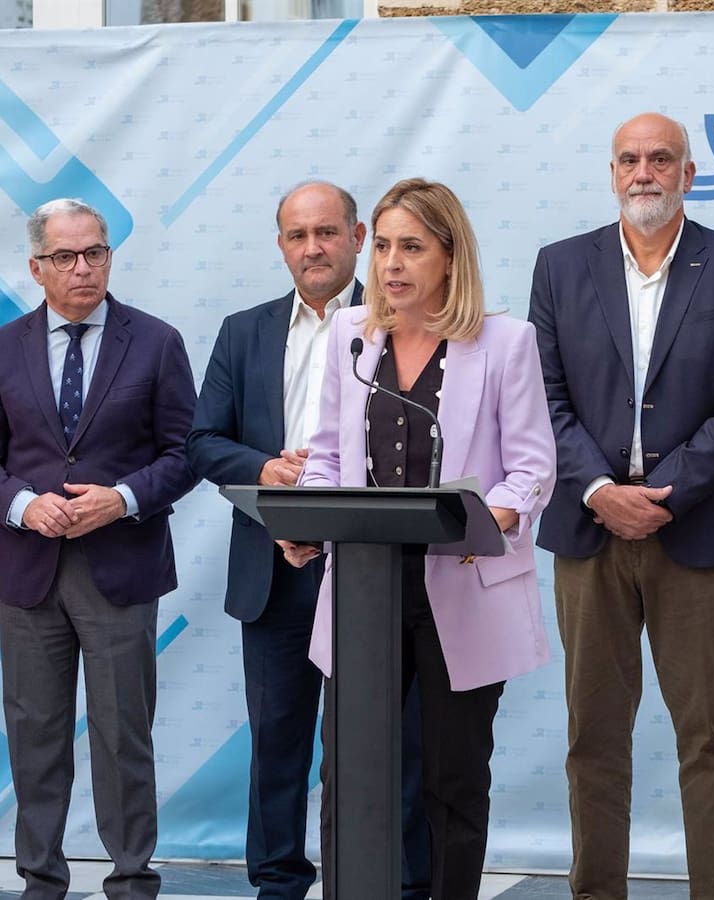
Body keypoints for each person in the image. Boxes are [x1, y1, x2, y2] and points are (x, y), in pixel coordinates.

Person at [528, 112, 714, 900]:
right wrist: (600, 490)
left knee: (709, 739)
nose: (645, 172)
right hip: (589, 530)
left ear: (688, 174)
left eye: (661, 159)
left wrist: (665, 492)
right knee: (593, 738)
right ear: (612, 174)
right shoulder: (561, 266)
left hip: (698, 530)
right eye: (630, 159)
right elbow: (542, 394)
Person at [284, 177, 555, 900]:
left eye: (412, 247)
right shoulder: (351, 335)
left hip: (462, 579)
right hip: (365, 583)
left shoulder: (505, 342)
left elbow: (532, 468)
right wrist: (308, 519)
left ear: (450, 254)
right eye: (382, 247)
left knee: (451, 778)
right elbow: (327, 458)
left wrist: (491, 517)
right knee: (351, 771)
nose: (392, 264)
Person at [188, 181, 434, 900]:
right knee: (278, 744)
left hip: (374, 566)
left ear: (358, 239)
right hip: (275, 570)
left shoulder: (404, 323)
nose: (313, 248)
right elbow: (203, 441)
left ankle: (396, 883)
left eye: (327, 233)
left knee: (387, 743)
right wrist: (265, 468)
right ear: (281, 246)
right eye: (297, 235)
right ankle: (277, 884)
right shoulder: (244, 331)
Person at [0, 198, 197, 898]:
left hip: (121, 568)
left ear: (109, 256)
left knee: (123, 737)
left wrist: (123, 498)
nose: (82, 268)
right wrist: (23, 505)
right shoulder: (5, 346)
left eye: (95, 253)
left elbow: (187, 452)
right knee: (34, 737)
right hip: (27, 574)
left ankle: (133, 880)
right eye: (65, 256)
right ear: (36, 268)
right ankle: (40, 881)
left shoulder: (157, 342)